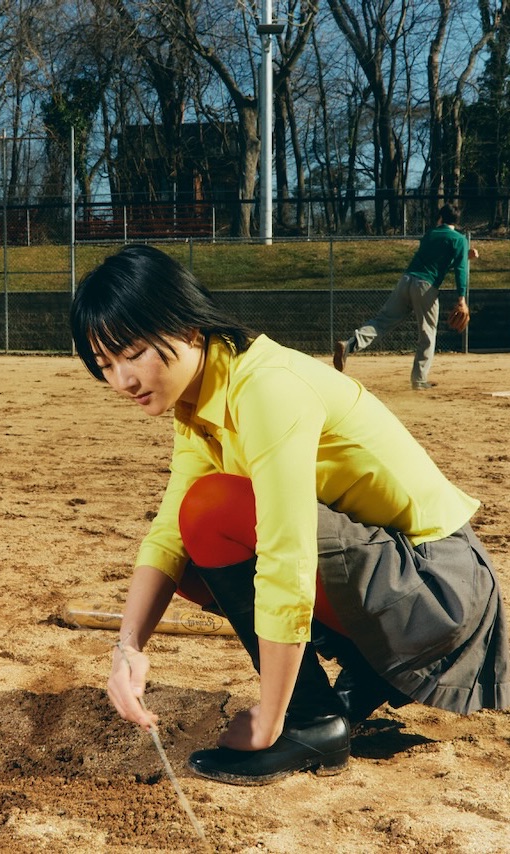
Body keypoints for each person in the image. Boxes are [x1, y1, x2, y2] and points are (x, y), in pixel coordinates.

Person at [70, 245, 508, 787]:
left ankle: (313, 720)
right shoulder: (198, 399)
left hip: (439, 592)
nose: (122, 380)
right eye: (105, 365)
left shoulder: (266, 387)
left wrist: (274, 719)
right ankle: (366, 669)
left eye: (134, 354)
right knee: (188, 541)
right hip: (398, 579)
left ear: (187, 326)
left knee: (212, 513)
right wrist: (128, 648)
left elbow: (287, 556)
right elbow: (167, 536)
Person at [334, 203, 478, 389]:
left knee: (382, 321)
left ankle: (349, 345)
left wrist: (463, 256)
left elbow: (436, 262)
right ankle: (419, 380)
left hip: (406, 281)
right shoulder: (459, 239)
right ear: (456, 221)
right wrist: (461, 299)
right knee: (427, 333)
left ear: (440, 218)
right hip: (426, 286)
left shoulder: (430, 234)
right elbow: (460, 270)